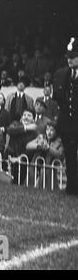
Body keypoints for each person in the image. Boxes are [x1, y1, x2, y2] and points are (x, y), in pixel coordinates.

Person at [52, 36, 78, 196]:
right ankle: (72, 188)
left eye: (73, 57)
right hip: (67, 124)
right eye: (68, 58)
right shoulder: (62, 74)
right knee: (69, 156)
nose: (70, 60)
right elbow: (58, 97)